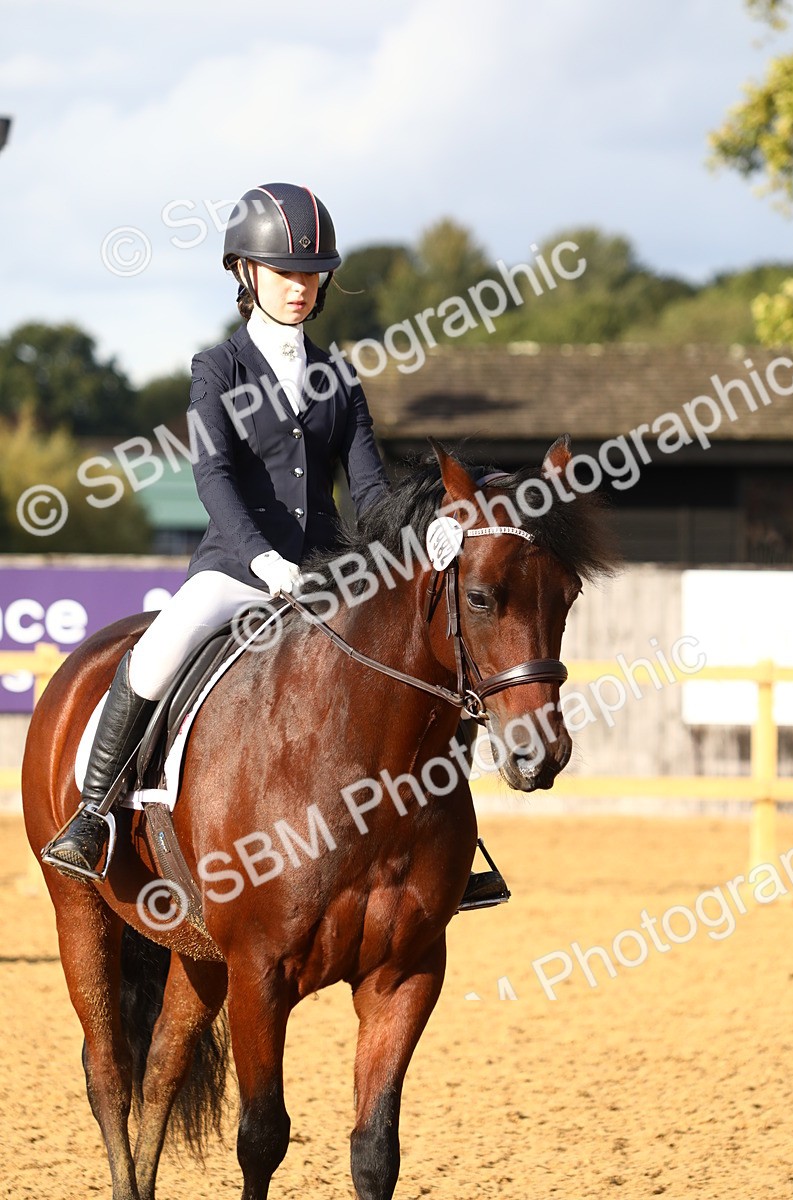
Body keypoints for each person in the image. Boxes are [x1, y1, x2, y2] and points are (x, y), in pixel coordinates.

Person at [44, 181, 508, 911]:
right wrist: (260, 557)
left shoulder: (339, 377)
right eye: (285, 273)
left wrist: (431, 535)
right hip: (236, 566)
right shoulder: (217, 371)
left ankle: (449, 843)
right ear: (245, 273)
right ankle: (93, 814)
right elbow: (213, 473)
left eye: (311, 274)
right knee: (160, 650)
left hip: (328, 570)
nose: (300, 287)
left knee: (423, 659)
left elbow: (371, 492)